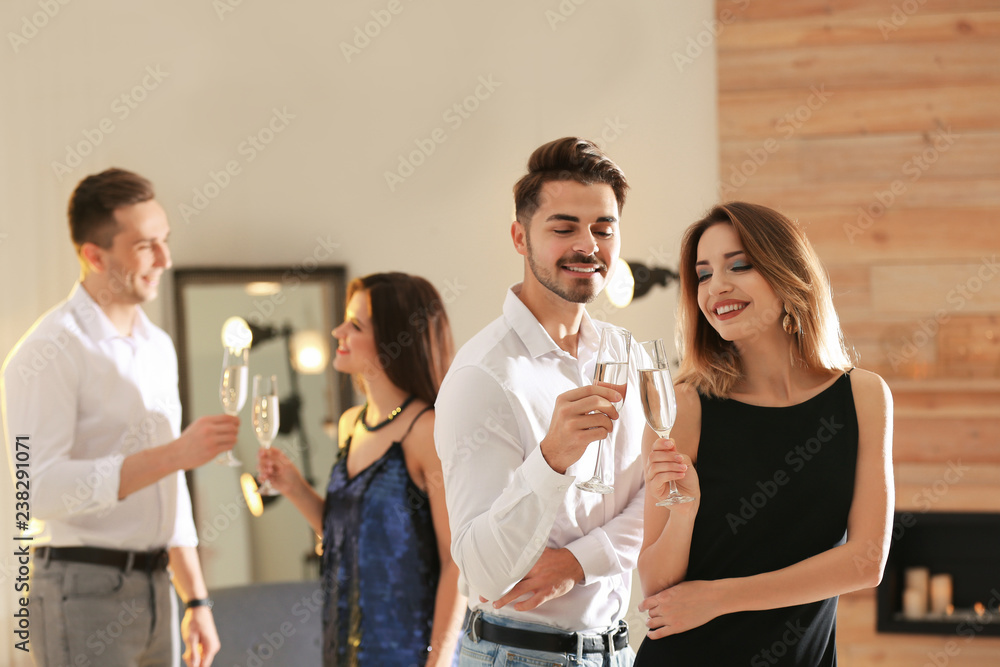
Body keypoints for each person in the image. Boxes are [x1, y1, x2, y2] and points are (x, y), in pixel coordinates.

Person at [633, 202, 894, 665]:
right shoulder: (685, 406)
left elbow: (866, 561)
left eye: (739, 265)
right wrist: (684, 512)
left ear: (786, 272)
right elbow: (656, 588)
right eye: (704, 274)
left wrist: (719, 597)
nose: (718, 287)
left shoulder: (863, 396)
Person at [1, 168, 240, 667]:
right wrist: (175, 453)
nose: (166, 260)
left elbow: (167, 493)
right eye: (146, 246)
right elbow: (36, 492)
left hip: (157, 588)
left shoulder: (158, 347)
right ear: (93, 255)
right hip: (78, 591)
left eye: (165, 241)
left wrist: (195, 599)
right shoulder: (48, 352)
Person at [434, 137, 644, 667]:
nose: (588, 245)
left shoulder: (627, 354)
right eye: (564, 226)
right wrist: (551, 459)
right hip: (516, 655)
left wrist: (578, 561)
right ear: (519, 237)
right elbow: (482, 570)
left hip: (617, 651)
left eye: (603, 227)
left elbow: (663, 494)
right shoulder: (483, 376)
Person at [257, 272, 466, 666]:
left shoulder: (427, 431)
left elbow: (456, 563)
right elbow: (349, 536)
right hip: (342, 647)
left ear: (393, 339)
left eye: (354, 325)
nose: (338, 331)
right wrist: (294, 487)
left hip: (408, 653)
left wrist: (436, 661)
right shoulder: (350, 425)